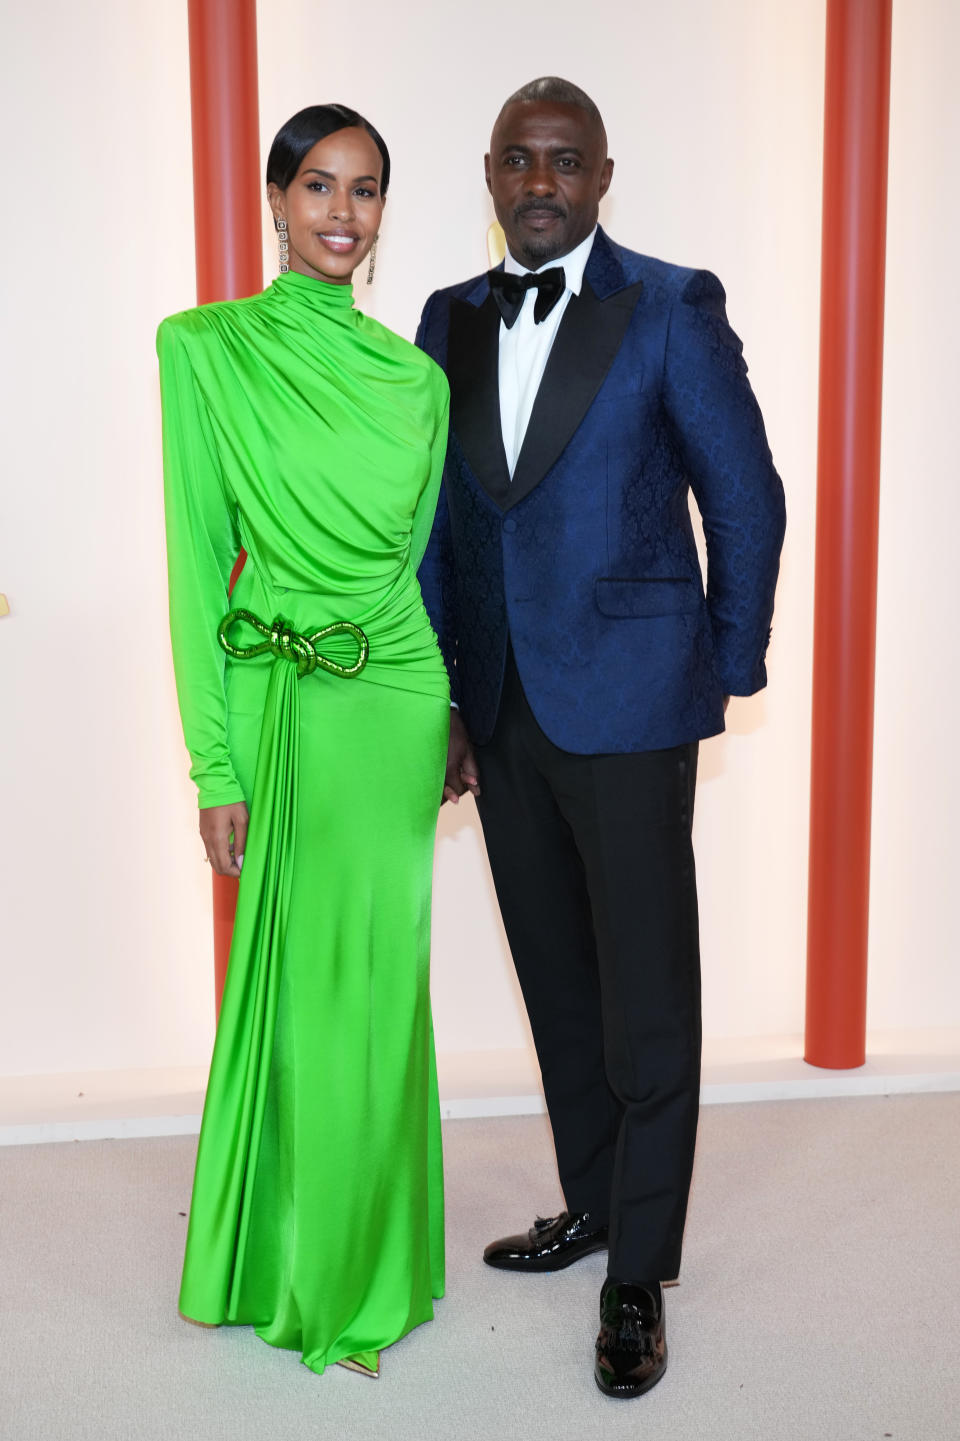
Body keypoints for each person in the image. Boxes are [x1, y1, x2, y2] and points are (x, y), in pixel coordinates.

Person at [416, 77, 785, 1397]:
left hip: (634, 701)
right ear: (490, 169)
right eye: (519, 159)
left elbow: (746, 498)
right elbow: (440, 527)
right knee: (556, 976)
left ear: (604, 175)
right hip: (503, 705)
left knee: (646, 994)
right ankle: (587, 1198)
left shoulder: (673, 305)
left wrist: (719, 671)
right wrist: (448, 698)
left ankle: (639, 1266)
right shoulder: (447, 318)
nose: (540, 182)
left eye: (564, 161)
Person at [157, 104, 450, 1378]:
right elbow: (193, 565)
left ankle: (365, 1259)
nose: (343, 212)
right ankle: (292, 1254)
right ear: (275, 200)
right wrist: (215, 762)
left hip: (393, 700)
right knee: (292, 983)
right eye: (319, 186)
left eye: (367, 190)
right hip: (278, 701)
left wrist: (447, 722)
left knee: (376, 982)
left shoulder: (417, 379)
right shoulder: (202, 349)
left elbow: (420, 569)